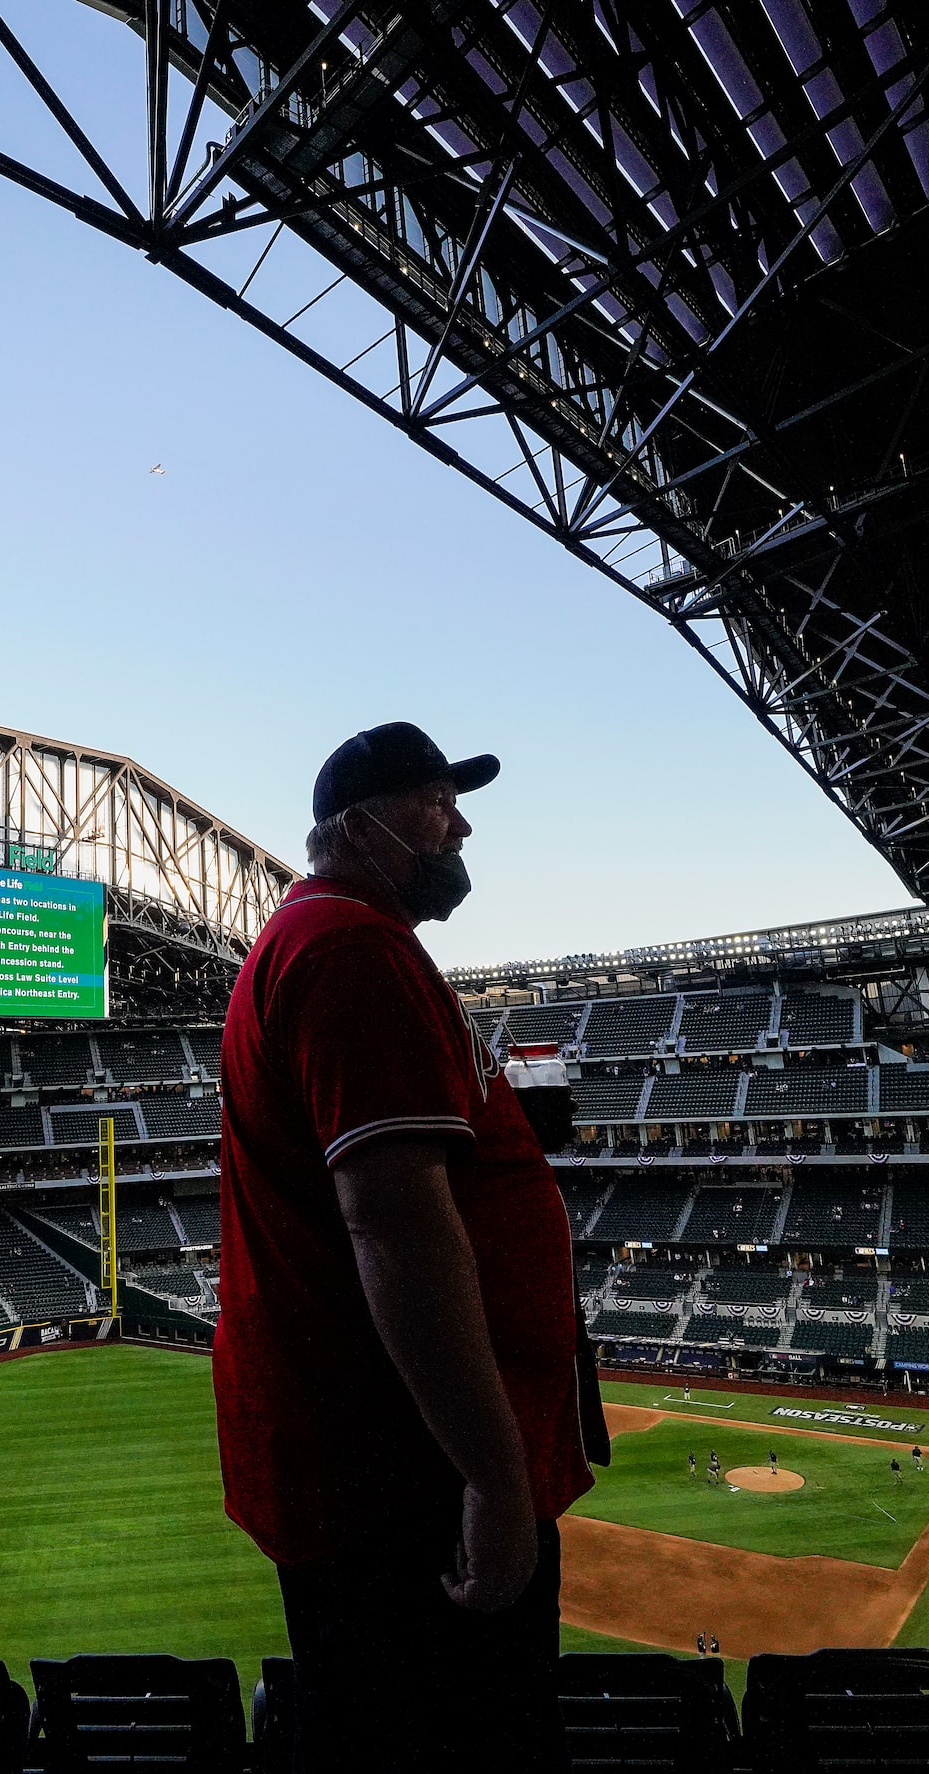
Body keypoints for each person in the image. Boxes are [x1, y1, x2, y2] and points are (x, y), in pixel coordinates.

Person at [213, 723, 593, 1774]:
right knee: (466, 1745)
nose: (460, 823)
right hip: (405, 1480)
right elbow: (397, 1224)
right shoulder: (349, 951)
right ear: (360, 828)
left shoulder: (332, 941)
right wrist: (493, 1474)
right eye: (434, 802)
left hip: (376, 1463)